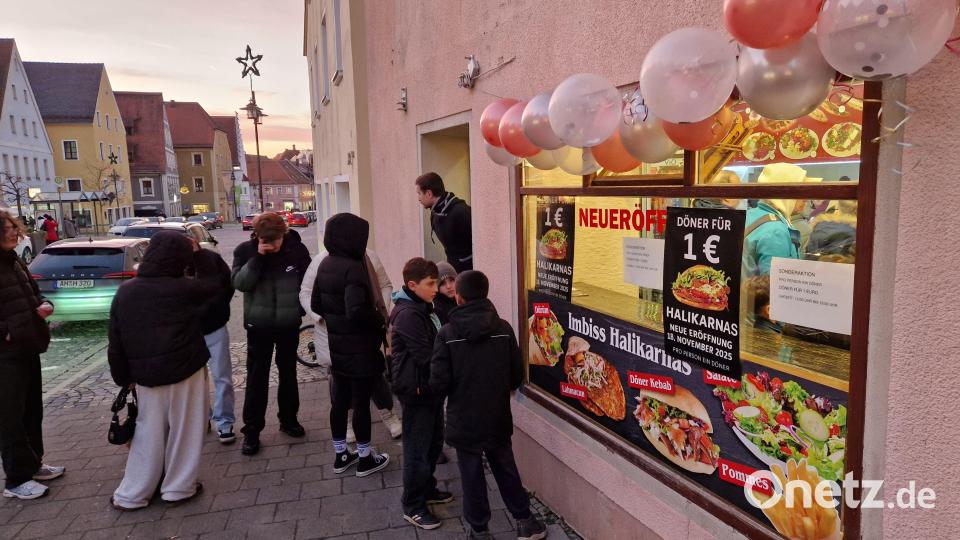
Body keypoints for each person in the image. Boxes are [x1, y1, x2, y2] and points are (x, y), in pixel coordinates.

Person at [430, 270, 547, 540]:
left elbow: (439, 383)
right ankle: (525, 521)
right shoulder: (503, 329)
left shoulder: (447, 334)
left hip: (463, 419)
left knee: (471, 476)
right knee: (505, 467)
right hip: (496, 416)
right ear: (485, 294)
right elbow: (516, 375)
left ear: (458, 298)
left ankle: (480, 531)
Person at [107, 231, 219, 509]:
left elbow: (116, 340)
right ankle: (178, 487)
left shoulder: (126, 292)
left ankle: (133, 493)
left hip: (146, 375)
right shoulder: (184, 289)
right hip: (186, 369)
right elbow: (215, 285)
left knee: (147, 432)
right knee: (187, 429)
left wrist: (123, 377)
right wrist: (200, 254)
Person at [311, 213, 390, 477]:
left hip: (337, 346)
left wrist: (336, 320)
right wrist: (378, 320)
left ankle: (341, 454)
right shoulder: (353, 268)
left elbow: (316, 304)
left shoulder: (325, 264)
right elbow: (356, 310)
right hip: (360, 349)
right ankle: (365, 458)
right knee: (361, 403)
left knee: (340, 402)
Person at [300, 247, 402, 440]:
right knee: (339, 379)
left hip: (365, 331)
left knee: (374, 374)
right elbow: (306, 292)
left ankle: (388, 414)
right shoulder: (322, 261)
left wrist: (380, 312)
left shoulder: (369, 256)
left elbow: (385, 284)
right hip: (333, 333)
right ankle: (347, 421)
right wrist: (320, 317)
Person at [232, 213, 312, 455]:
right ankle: (252, 430)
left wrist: (298, 309)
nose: (273, 244)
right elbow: (240, 284)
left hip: (288, 324)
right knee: (257, 377)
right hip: (259, 326)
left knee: (288, 373)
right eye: (267, 239)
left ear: (283, 233)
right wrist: (257, 258)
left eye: (276, 239)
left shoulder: (296, 250)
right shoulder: (245, 251)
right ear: (256, 235)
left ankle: (289, 419)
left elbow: (308, 283)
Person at [0, 210, 63, 500]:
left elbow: (33, 293)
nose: (14, 232)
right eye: (7, 229)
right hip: (6, 353)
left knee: (31, 410)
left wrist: (44, 303)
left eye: (14, 227)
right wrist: (7, 332)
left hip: (27, 345)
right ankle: (16, 480)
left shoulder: (13, 261)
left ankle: (33, 464)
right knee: (10, 417)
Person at [389, 257, 451, 530]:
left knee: (433, 443)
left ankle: (427, 489)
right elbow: (427, 355)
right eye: (431, 284)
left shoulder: (423, 307)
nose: (436, 289)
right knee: (417, 448)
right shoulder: (409, 314)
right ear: (412, 285)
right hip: (416, 390)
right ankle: (413, 504)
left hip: (429, 388)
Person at [191, 240, 236, 444]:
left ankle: (224, 422)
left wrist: (217, 308)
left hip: (213, 326)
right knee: (194, 380)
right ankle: (203, 417)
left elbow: (228, 285)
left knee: (222, 376)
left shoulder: (211, 260)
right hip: (189, 331)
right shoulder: (173, 265)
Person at [742, 163, 817, 278]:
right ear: (786, 194)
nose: (805, 199)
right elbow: (772, 284)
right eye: (801, 192)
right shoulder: (776, 231)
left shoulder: (750, 214)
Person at [416, 172, 473, 272]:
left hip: (468, 273)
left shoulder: (460, 211)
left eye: (419, 193)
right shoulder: (436, 211)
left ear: (429, 194)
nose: (418, 198)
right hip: (455, 271)